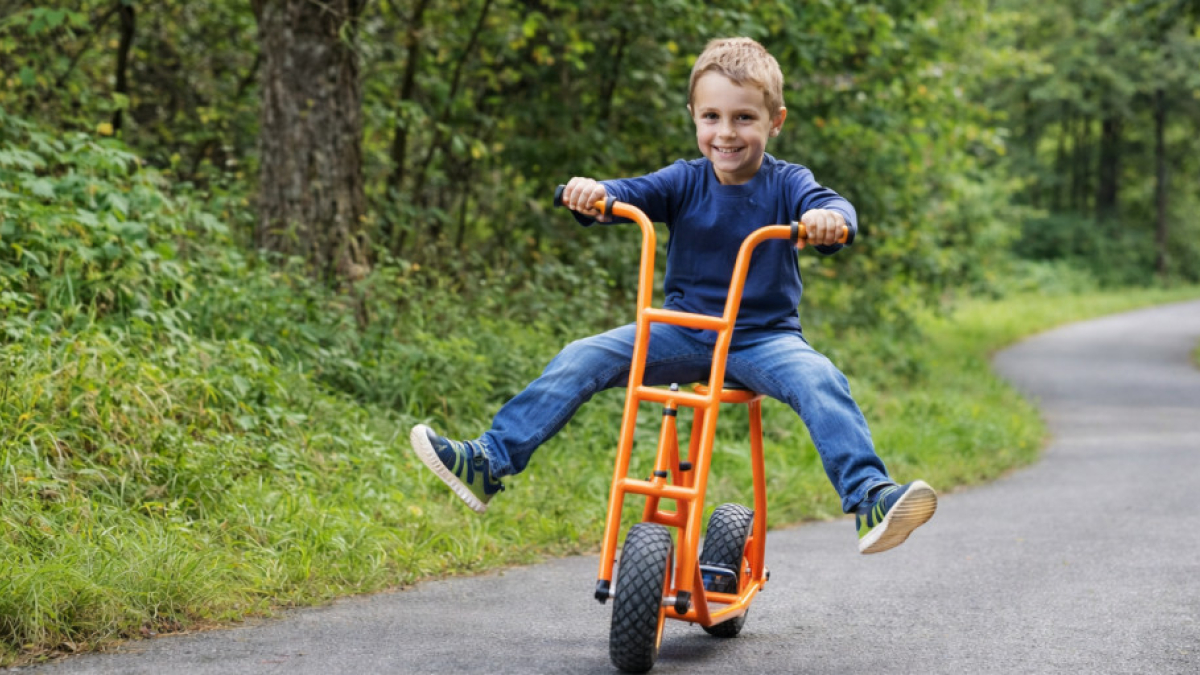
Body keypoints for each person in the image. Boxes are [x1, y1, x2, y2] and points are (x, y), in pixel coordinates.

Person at [411, 37, 936, 554]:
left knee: (820, 378)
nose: (725, 133)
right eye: (711, 117)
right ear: (693, 116)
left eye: (744, 119)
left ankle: (869, 496)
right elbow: (626, 192)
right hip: (681, 330)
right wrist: (593, 193)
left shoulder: (787, 184)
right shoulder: (683, 180)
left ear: (775, 121)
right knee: (582, 355)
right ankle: (488, 461)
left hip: (762, 338)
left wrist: (830, 221)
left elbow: (831, 204)